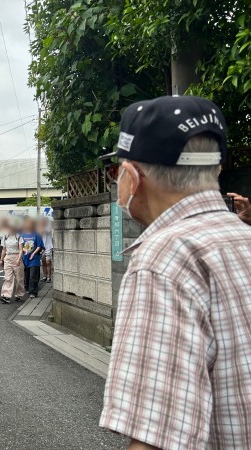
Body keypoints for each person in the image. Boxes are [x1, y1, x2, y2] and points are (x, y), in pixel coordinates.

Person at [99, 96, 251, 449]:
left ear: (131, 177)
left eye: (117, 172)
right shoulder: (243, 236)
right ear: (215, 169)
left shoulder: (164, 261)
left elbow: (158, 439)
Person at [0, 222, 24, 303]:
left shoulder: (18, 237)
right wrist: (1, 259)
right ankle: (6, 296)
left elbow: (21, 250)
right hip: (8, 258)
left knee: (19, 278)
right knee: (8, 278)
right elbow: (4, 249)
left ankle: (19, 294)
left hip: (16, 257)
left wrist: (18, 259)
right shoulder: (5, 237)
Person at [21, 217, 44, 298]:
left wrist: (33, 253)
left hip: (34, 258)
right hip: (25, 258)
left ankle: (33, 292)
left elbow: (40, 245)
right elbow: (20, 245)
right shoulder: (22, 235)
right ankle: (27, 288)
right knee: (26, 276)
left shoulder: (36, 234)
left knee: (33, 276)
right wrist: (24, 249)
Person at [39, 218, 53, 283]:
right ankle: (45, 276)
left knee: (48, 262)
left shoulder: (48, 228)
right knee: (43, 262)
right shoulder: (39, 228)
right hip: (42, 248)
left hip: (48, 247)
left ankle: (49, 277)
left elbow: (43, 231)